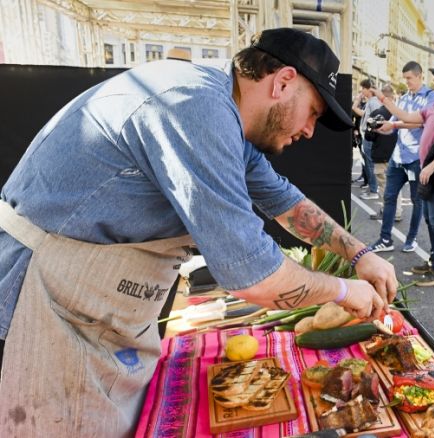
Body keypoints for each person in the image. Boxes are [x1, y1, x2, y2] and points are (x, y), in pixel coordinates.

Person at [0, 28, 397, 436]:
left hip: (90, 309)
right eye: (312, 112)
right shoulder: (195, 107)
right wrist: (345, 291)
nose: (310, 131)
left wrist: (359, 255)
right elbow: (253, 276)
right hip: (40, 300)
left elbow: (285, 201)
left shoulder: (225, 113)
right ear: (282, 82)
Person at [374, 61, 434, 286]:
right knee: (430, 218)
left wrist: (431, 166)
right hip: (427, 170)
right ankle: (433, 261)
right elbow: (407, 116)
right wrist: (386, 105)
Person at [369, 61, 434, 253]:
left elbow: (419, 123)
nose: (407, 82)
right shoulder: (404, 98)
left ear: (420, 76)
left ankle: (411, 239)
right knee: (389, 197)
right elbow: (393, 123)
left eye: (409, 78)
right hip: (398, 157)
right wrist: (382, 127)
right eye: (405, 78)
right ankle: (385, 239)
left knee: (417, 200)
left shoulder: (431, 97)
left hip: (417, 159)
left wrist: (393, 124)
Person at [366, 85, 401, 222]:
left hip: (380, 153)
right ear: (392, 97)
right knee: (395, 184)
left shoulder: (376, 114)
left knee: (383, 186)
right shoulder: (399, 113)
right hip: (396, 154)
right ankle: (397, 211)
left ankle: (387, 211)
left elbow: (369, 136)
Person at [352, 79, 383, 200]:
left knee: (370, 165)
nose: (361, 91)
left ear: (368, 89)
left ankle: (374, 190)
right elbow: (361, 113)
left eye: (362, 89)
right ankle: (372, 188)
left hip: (370, 137)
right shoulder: (371, 101)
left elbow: (375, 119)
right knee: (368, 164)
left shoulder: (374, 101)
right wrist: (357, 101)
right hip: (367, 137)